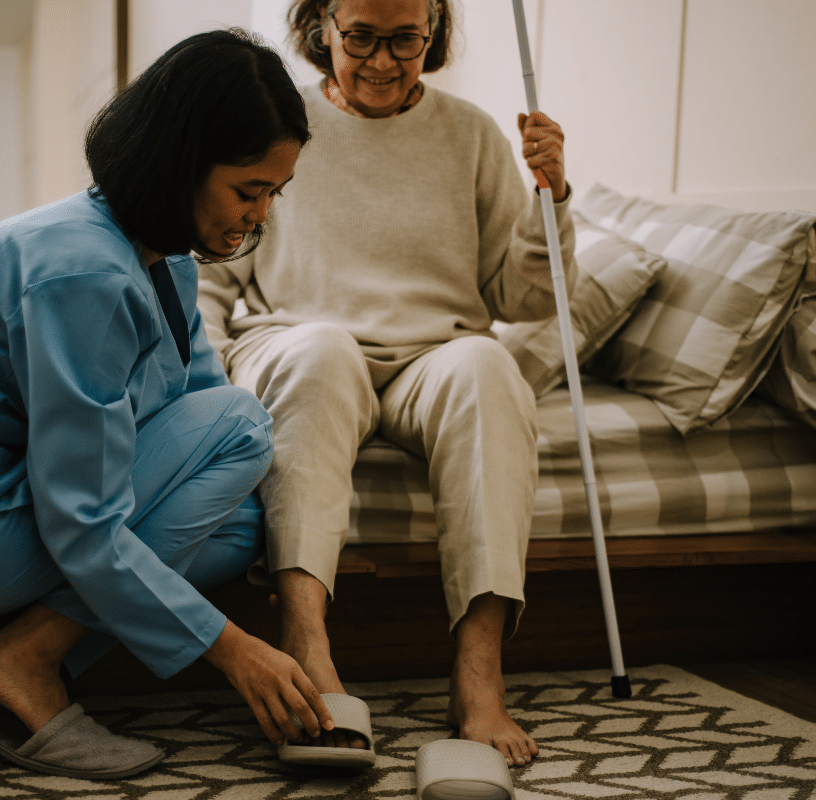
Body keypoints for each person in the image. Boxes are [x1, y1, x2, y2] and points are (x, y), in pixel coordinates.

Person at [0, 29, 334, 782]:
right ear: (181, 165)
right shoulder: (82, 272)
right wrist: (233, 649)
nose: (259, 217)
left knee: (236, 530)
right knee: (243, 425)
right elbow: (85, 516)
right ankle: (20, 661)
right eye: (247, 190)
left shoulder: (159, 264)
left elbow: (187, 409)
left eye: (272, 195)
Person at [197, 0, 577, 769]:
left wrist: (552, 198)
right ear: (322, 27)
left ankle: (479, 677)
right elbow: (213, 263)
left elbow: (526, 299)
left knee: (489, 365)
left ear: (432, 32)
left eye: (404, 39)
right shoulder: (282, 121)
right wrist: (200, 376)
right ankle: (308, 647)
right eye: (360, 37)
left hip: (433, 353)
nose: (380, 60)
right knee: (324, 354)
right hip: (298, 338)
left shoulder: (470, 134)